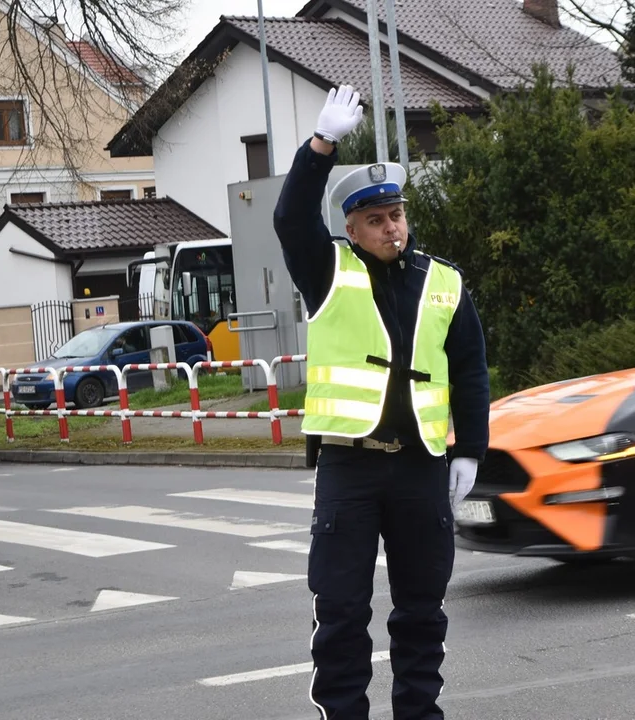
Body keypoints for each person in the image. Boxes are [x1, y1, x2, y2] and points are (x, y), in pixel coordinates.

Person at [273, 84, 490, 720]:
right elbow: (289, 218)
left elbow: (471, 368)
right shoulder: (327, 270)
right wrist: (320, 146)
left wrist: (470, 449)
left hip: (422, 466)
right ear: (352, 227)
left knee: (422, 609)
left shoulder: (445, 281)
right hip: (351, 467)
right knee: (340, 610)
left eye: (396, 213)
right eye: (376, 218)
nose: (392, 226)